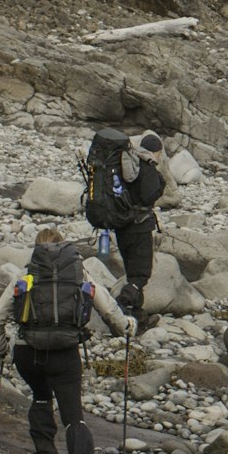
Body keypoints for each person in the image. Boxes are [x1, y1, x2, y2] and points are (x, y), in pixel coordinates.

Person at [0, 228, 135, 454]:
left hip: (27, 353)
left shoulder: (25, 276)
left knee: (41, 397)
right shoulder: (78, 275)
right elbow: (109, 309)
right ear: (64, 248)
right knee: (74, 416)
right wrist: (126, 328)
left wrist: (1, 350)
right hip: (64, 354)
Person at [85, 129, 164, 324]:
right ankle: (119, 308)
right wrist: (160, 183)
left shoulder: (124, 164)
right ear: (156, 151)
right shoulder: (147, 167)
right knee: (141, 275)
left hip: (121, 226)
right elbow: (148, 195)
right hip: (140, 227)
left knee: (132, 273)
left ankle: (137, 315)